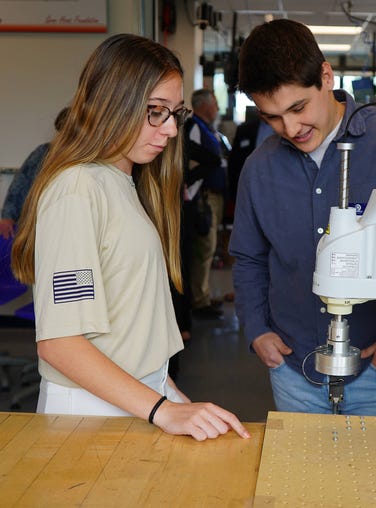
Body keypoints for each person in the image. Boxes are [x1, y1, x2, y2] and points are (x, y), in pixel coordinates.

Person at [11, 33, 249, 442]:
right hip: (91, 413)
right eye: (156, 112)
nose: (172, 129)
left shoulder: (125, 183)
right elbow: (61, 343)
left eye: (176, 113)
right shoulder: (78, 189)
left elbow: (132, 327)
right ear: (112, 102)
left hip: (135, 399)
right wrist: (162, 410)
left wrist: (170, 395)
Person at [229, 19, 376, 417]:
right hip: (294, 372)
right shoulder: (260, 168)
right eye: (271, 117)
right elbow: (249, 258)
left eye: (297, 107)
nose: (290, 128)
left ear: (325, 76)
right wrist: (256, 329)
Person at [183, 89, 231, 320]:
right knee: (204, 247)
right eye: (214, 104)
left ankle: (204, 294)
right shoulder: (194, 127)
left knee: (209, 248)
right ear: (204, 106)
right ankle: (199, 300)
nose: (218, 108)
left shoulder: (209, 129)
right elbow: (190, 162)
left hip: (215, 194)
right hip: (203, 196)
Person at [0, 108, 69, 239]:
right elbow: (20, 184)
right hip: (35, 227)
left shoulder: (90, 160)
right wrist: (8, 217)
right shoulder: (44, 152)